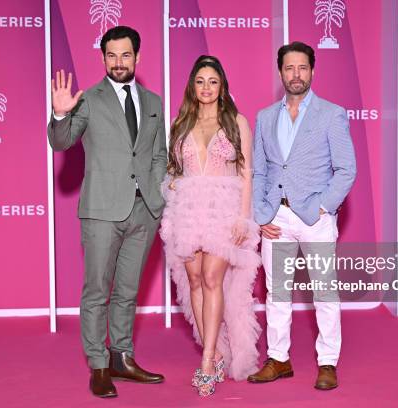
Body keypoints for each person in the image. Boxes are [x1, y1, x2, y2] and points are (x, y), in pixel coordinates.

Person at [48, 26, 167, 398]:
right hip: (101, 211)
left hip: (143, 211)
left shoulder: (154, 102)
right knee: (97, 290)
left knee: (127, 291)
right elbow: (61, 141)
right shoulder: (88, 100)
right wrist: (59, 114)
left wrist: (157, 199)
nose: (118, 62)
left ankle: (122, 356)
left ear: (137, 57)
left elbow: (158, 153)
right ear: (103, 59)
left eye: (125, 55)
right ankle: (98, 364)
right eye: (111, 56)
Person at [247, 41, 356, 390]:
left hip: (315, 218)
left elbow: (346, 169)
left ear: (312, 70)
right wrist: (261, 213)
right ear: (281, 72)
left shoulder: (331, 113)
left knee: (324, 292)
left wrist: (324, 207)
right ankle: (278, 358)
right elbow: (259, 171)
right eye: (289, 68)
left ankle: (327, 362)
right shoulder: (265, 117)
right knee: (277, 292)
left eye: (302, 68)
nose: (296, 74)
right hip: (276, 218)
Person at [160, 55, 261, 397]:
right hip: (188, 209)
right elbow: (174, 170)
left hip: (223, 209)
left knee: (212, 277)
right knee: (193, 280)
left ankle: (206, 361)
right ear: (192, 85)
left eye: (213, 81)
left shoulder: (237, 122)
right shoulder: (180, 122)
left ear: (222, 86)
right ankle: (215, 351)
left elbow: (247, 174)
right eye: (200, 81)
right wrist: (173, 191)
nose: (206, 88)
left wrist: (243, 218)